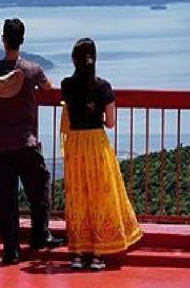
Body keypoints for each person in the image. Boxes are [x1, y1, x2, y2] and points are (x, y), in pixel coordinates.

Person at [0, 17, 62, 265]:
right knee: (40, 186)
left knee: (6, 200)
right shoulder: (31, 70)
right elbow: (48, 87)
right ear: (22, 40)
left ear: (3, 40)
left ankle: (11, 251)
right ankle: (40, 235)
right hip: (25, 143)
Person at [60, 37, 143, 270]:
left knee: (78, 196)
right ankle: (98, 253)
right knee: (100, 195)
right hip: (96, 144)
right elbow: (111, 122)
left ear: (74, 59)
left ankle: (77, 253)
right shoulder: (104, 87)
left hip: (75, 145)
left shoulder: (67, 85)